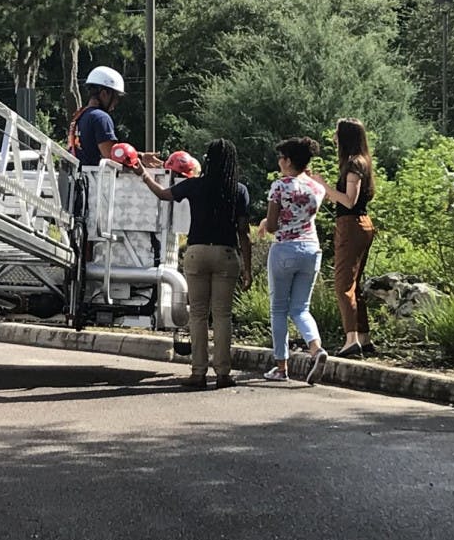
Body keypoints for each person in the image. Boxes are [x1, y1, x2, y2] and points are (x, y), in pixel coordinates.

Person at [134, 138, 252, 390]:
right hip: (226, 254)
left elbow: (164, 194)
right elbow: (244, 232)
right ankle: (223, 374)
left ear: (207, 160)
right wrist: (248, 268)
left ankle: (198, 373)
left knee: (197, 314)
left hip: (197, 252)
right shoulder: (239, 190)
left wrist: (143, 174)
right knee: (222, 316)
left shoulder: (195, 185)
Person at [258, 137, 328, 384]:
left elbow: (274, 224)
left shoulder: (280, 186)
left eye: (281, 157)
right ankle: (316, 349)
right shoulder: (317, 188)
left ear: (288, 161)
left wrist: (266, 223)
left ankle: (281, 366)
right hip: (311, 249)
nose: (279, 161)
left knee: (278, 308)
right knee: (301, 308)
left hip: (285, 249)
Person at [311, 118, 377, 358]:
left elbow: (349, 200)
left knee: (342, 286)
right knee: (355, 285)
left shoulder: (353, 165)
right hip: (361, 224)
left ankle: (351, 340)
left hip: (351, 226)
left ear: (346, 137)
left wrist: (323, 185)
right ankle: (363, 337)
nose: (334, 138)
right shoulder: (362, 162)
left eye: (337, 133)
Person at [67, 66, 159, 167]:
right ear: (104, 94)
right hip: (95, 180)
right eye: (116, 97)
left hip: (77, 176)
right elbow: (113, 156)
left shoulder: (80, 116)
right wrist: (140, 158)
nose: (116, 102)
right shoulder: (101, 118)